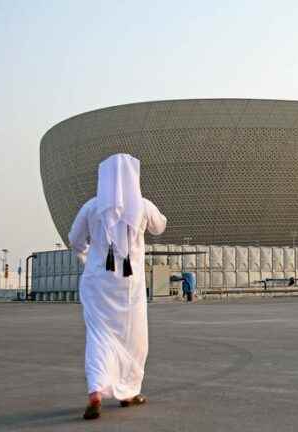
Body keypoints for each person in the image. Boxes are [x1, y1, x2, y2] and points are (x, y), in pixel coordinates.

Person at [69, 154, 167, 420]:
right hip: (129, 287)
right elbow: (160, 226)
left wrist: (88, 257)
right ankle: (129, 393)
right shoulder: (143, 207)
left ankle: (95, 392)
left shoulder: (91, 207)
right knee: (134, 339)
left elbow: (75, 239)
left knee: (99, 337)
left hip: (98, 284)